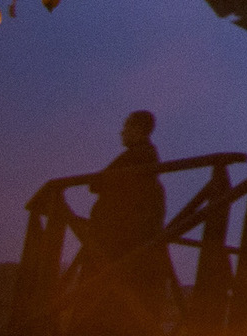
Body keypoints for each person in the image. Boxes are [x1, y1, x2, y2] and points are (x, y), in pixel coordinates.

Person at [68, 110, 178, 334]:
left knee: (98, 312)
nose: (122, 132)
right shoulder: (149, 172)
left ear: (138, 130)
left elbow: (96, 184)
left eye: (126, 127)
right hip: (131, 257)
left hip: (114, 254)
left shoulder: (133, 160)